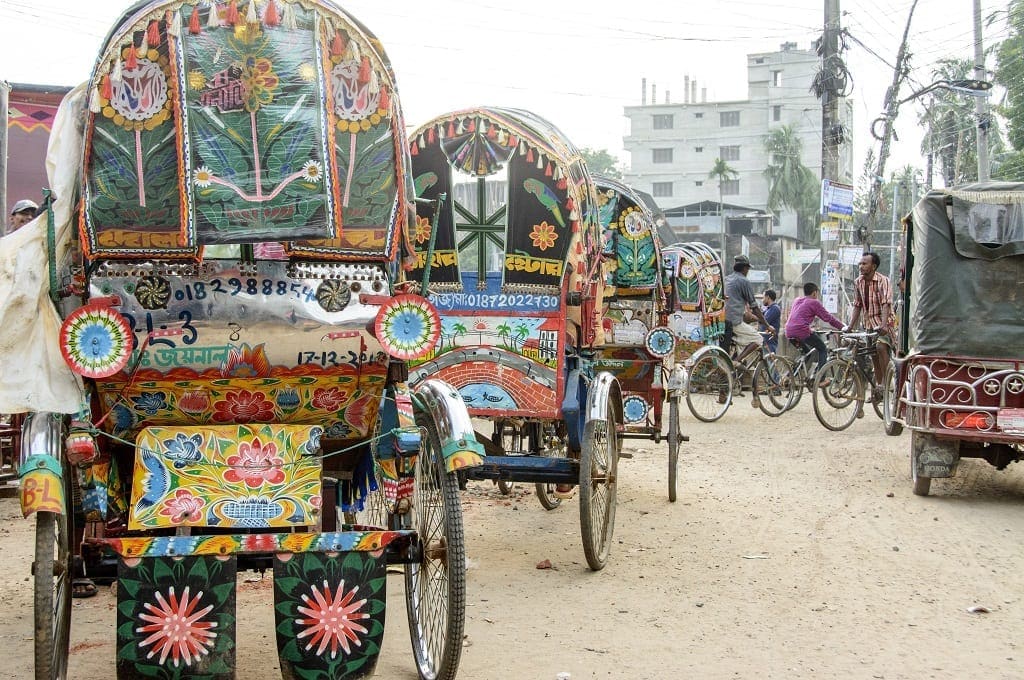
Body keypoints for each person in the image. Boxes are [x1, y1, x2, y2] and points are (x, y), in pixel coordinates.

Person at [848, 251, 894, 397]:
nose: (861, 266)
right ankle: (879, 388)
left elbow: (886, 303)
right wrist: (849, 326)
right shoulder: (858, 282)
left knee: (880, 347)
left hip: (885, 322)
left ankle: (888, 382)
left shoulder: (883, 280)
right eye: (860, 263)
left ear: (873, 266)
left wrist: (884, 325)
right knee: (872, 354)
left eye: (864, 263)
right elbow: (857, 305)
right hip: (868, 324)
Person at [723, 254, 774, 360]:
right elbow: (754, 307)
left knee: (742, 343)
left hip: (723, 320)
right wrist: (767, 325)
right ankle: (735, 362)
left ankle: (737, 367)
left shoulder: (726, 279)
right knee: (758, 339)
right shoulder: (744, 281)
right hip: (734, 322)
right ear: (745, 268)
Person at [785, 282, 845, 371]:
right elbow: (828, 318)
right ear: (814, 293)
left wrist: (809, 329)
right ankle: (820, 378)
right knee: (822, 349)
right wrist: (842, 327)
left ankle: (792, 375)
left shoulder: (797, 300)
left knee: (806, 353)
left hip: (789, 331)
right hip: (801, 331)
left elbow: (798, 317)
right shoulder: (814, 302)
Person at [760, 289, 781, 353]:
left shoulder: (774, 308)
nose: (762, 300)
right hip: (765, 341)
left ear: (768, 297)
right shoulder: (768, 309)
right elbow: (759, 316)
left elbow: (763, 320)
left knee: (770, 361)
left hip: (770, 342)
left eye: (763, 297)